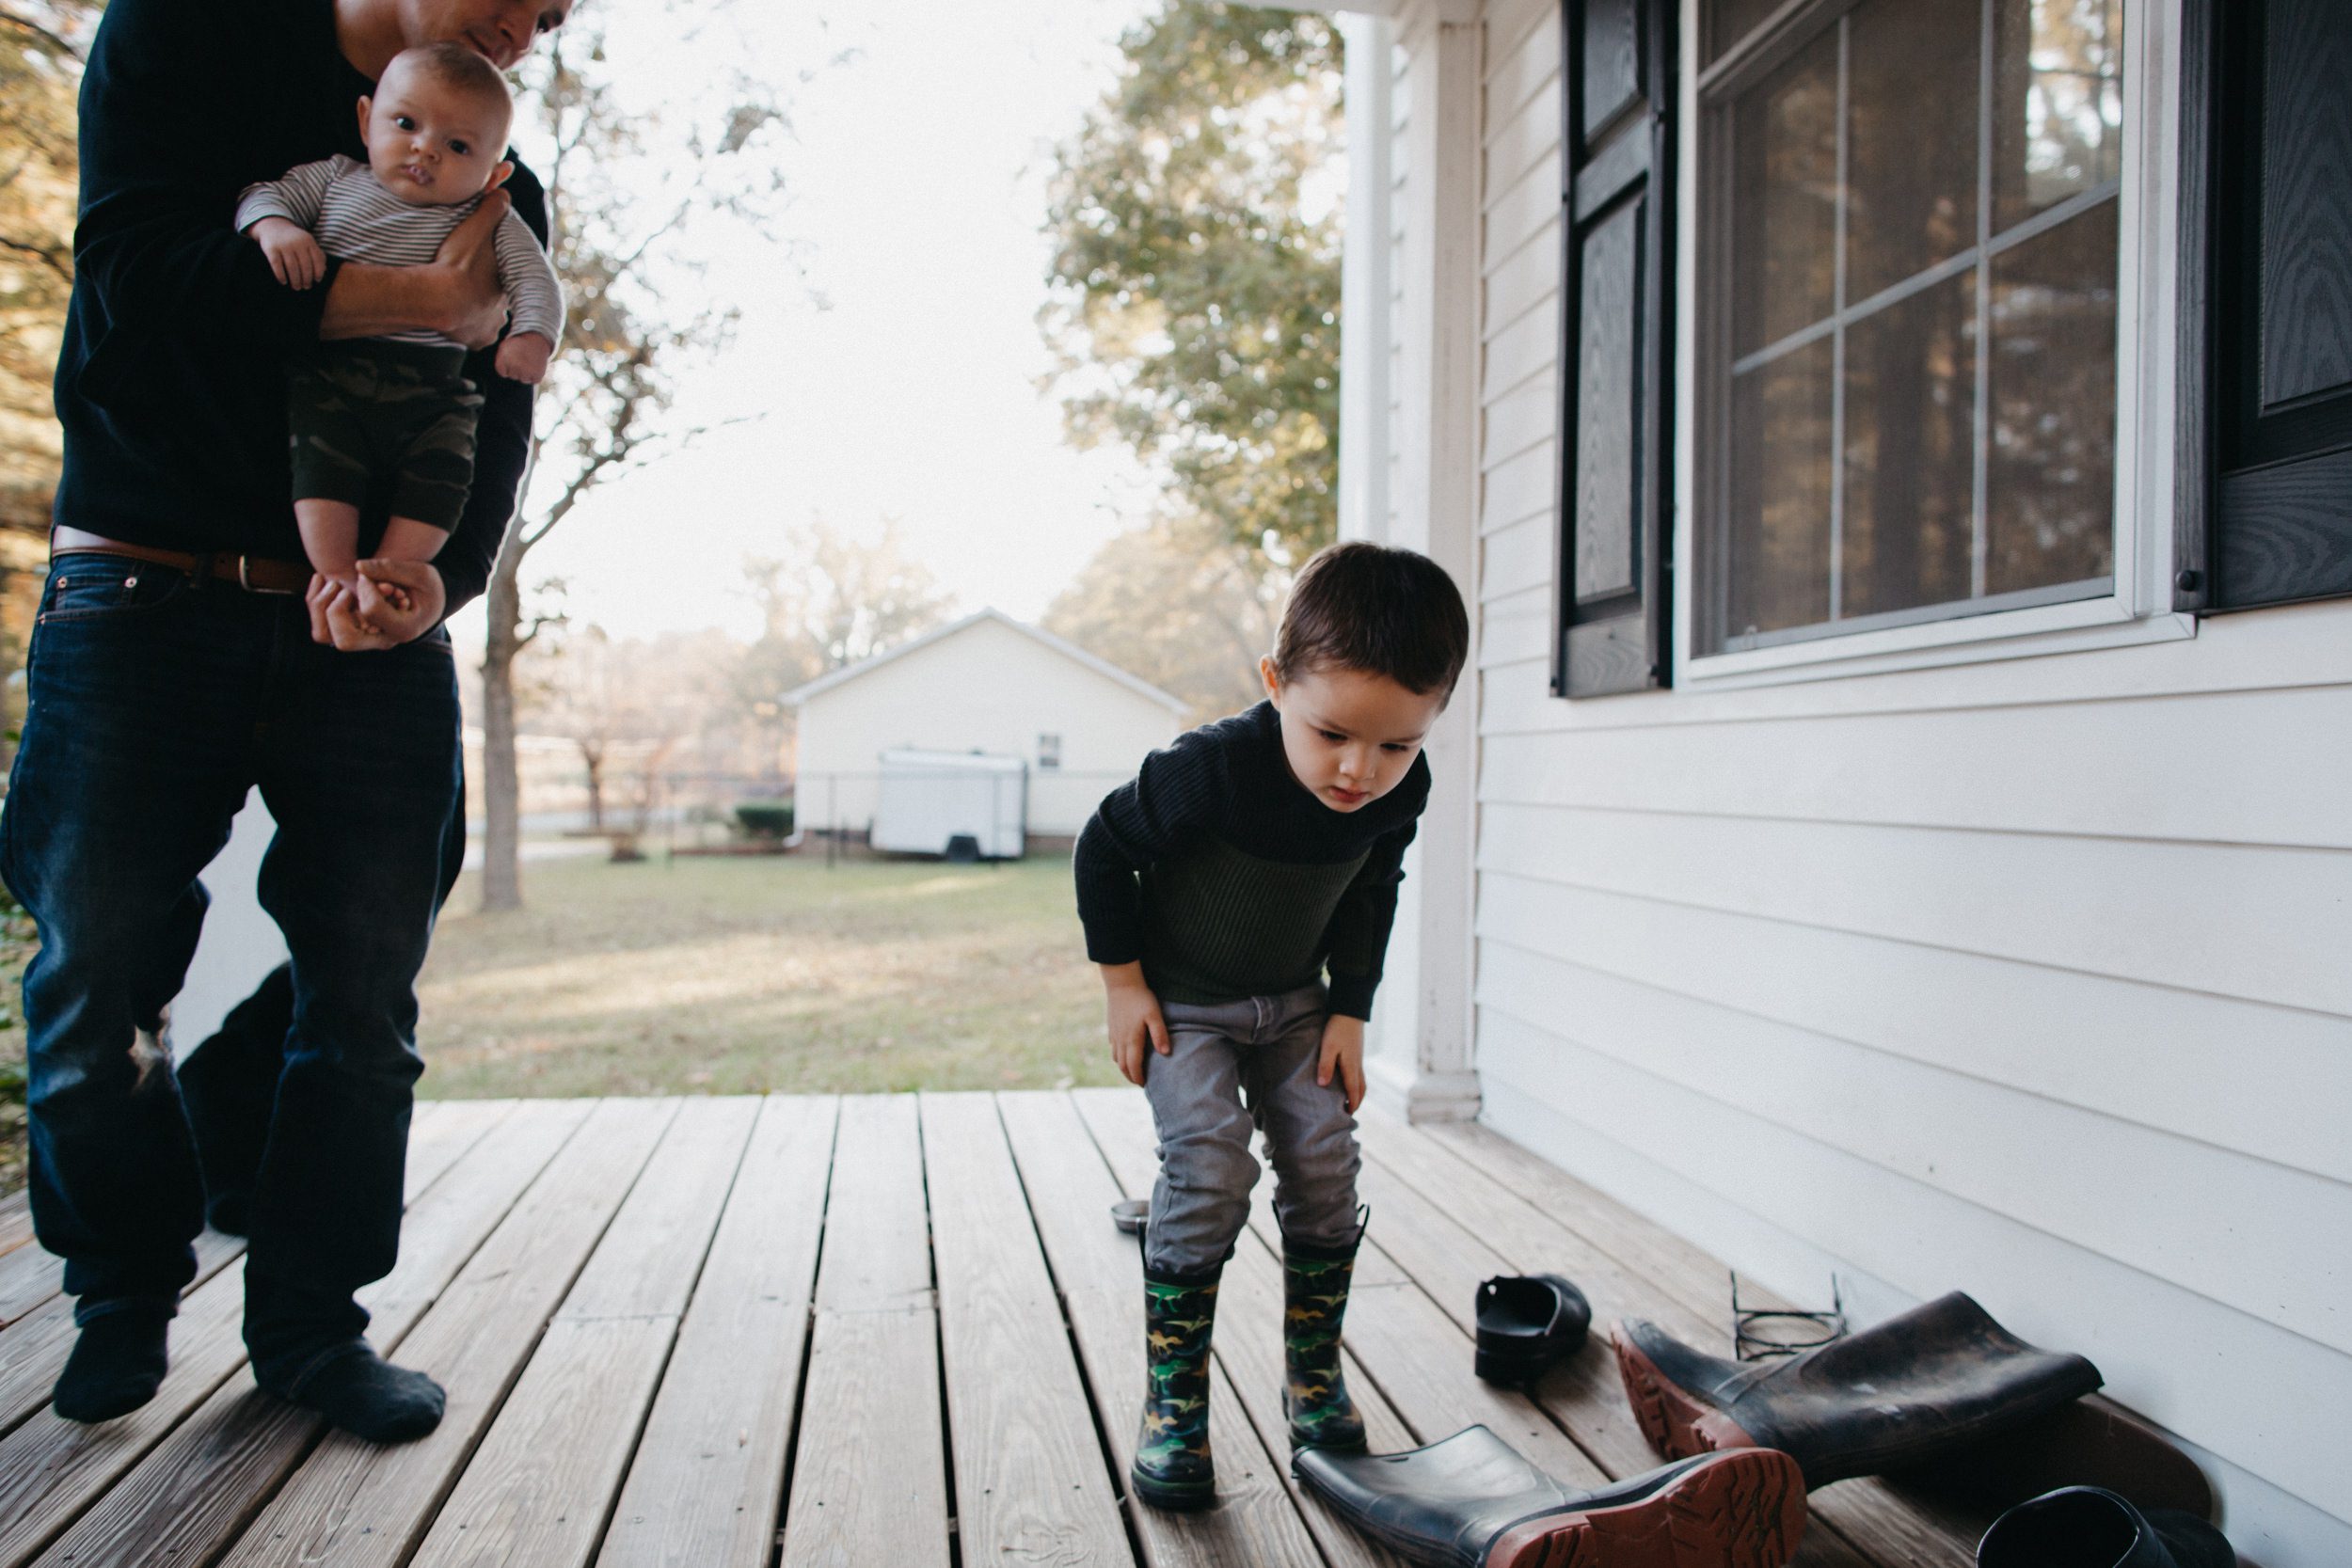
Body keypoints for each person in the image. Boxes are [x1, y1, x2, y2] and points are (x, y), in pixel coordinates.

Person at [8, 0, 571, 1444]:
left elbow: (492, 412)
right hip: (140, 591)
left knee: (367, 1000)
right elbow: (136, 295)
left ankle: (315, 1324)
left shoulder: (492, 167)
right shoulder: (186, 35)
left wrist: (435, 582)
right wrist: (413, 304)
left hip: (370, 628)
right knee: (91, 985)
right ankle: (119, 1286)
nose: (545, 20)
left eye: (562, 14)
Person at [1072, 541, 1470, 1512]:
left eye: (1396, 744)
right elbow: (1100, 846)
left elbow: (1376, 887)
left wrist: (1350, 1007)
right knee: (1208, 1162)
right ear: (1274, 682)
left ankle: (1311, 1372)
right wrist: (1124, 982)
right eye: (1332, 730)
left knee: (1326, 1157)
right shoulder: (1206, 771)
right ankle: (1175, 1397)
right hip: (1185, 1004)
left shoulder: (1396, 793)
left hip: (1298, 1002)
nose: (1358, 768)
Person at [237, 41, 563, 613]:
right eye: (407, 123)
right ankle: (336, 575)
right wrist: (275, 229)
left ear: (496, 171)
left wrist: (532, 337)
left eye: (458, 146)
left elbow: (537, 281)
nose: (425, 149)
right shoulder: (334, 180)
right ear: (367, 120)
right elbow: (263, 196)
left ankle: (390, 576)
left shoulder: (492, 218)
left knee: (441, 480)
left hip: (436, 392)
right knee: (320, 469)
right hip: (333, 376)